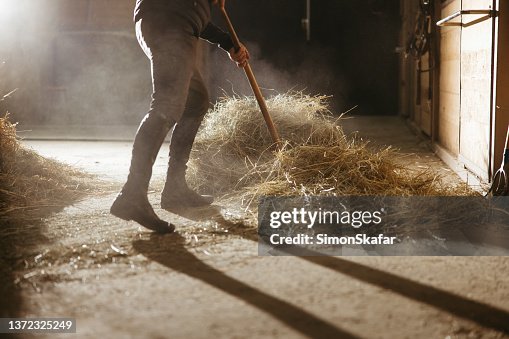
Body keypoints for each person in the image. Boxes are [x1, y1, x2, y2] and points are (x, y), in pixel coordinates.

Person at [110, 0, 249, 233]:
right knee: (166, 105)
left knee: (196, 102)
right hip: (167, 21)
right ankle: (132, 194)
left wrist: (227, 43)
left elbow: (195, 16)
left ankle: (175, 188)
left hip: (177, 23)